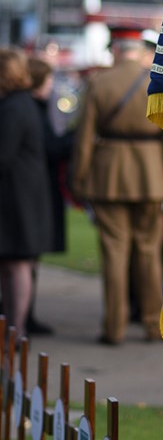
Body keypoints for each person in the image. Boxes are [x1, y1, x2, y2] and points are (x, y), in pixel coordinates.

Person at [71, 25, 163, 344]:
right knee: (148, 251)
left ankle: (114, 327)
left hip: (109, 175)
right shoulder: (158, 84)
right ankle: (152, 323)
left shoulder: (99, 83)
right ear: (140, 51)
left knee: (114, 252)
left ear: (115, 49)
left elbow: (84, 138)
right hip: (151, 173)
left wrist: (78, 179)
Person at [0, 47, 53, 344]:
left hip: (20, 197)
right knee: (12, 264)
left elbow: (4, 153)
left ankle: (17, 329)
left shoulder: (15, 106)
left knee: (18, 264)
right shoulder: (19, 103)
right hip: (19, 195)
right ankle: (13, 326)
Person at [28, 56, 75, 334]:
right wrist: (75, 137)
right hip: (32, 191)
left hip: (32, 189)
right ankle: (21, 317)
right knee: (24, 260)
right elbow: (49, 147)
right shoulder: (30, 107)